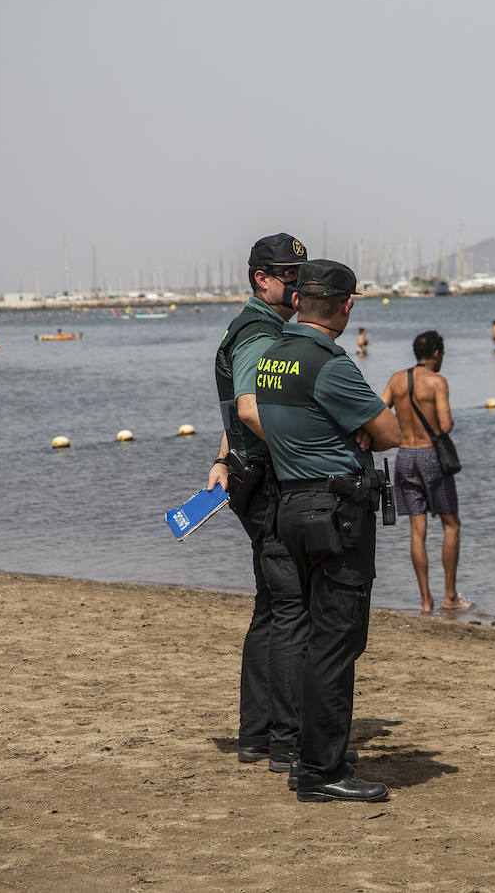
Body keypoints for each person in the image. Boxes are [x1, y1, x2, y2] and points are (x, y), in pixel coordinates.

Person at [254, 258, 400, 803]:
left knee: (314, 636)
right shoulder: (330, 364)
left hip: (291, 506)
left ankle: (306, 755)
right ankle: (320, 772)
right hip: (335, 514)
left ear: (297, 301)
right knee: (337, 642)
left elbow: (270, 421)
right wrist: (358, 433)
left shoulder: (273, 356)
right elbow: (389, 432)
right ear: (346, 306)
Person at [205, 232, 309, 771]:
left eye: (301, 277)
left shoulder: (257, 327)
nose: (297, 287)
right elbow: (249, 409)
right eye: (287, 278)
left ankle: (256, 735)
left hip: (249, 475)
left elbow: (233, 415)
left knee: (271, 609)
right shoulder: (258, 335)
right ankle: (285, 742)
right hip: (268, 485)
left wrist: (222, 459)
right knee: (290, 611)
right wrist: (311, 446)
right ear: (259, 279)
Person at [379, 331, 470, 614]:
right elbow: (444, 425)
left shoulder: (396, 380)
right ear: (437, 354)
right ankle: (450, 596)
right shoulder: (437, 382)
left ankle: (425, 601)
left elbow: (379, 412)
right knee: (451, 524)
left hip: (405, 457)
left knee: (417, 530)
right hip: (431, 456)